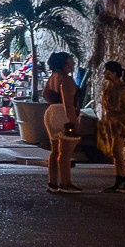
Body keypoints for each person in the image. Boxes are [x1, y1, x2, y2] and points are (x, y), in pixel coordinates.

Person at [42, 51, 82, 194]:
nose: (73, 62)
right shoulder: (66, 79)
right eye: (70, 59)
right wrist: (73, 121)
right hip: (63, 114)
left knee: (54, 151)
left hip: (50, 112)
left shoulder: (53, 77)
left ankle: (52, 182)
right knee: (65, 153)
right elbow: (68, 103)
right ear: (65, 63)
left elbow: (45, 94)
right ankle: (66, 183)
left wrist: (54, 103)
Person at [100, 60, 125, 193]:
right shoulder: (109, 88)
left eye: (107, 71)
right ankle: (119, 179)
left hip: (120, 124)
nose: (105, 73)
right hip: (111, 123)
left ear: (114, 73)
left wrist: (118, 119)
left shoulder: (124, 91)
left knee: (117, 151)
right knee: (114, 152)